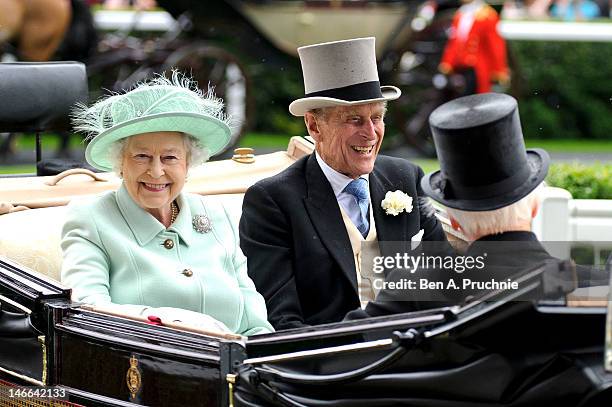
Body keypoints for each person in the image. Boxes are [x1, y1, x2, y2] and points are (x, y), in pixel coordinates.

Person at [239, 37, 449, 331]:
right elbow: (282, 320)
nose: (371, 134)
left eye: (376, 117)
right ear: (314, 126)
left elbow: (444, 277)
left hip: (412, 350)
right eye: (354, 120)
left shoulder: (406, 177)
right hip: (334, 362)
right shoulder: (272, 200)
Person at [346, 93, 603, 320]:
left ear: (455, 221)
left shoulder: (414, 286)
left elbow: (342, 351)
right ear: (535, 206)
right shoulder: (593, 286)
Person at [61, 72, 273, 336]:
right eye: (141, 156)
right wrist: (170, 321)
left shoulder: (217, 215)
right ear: (120, 163)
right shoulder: (91, 218)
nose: (157, 171)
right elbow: (86, 309)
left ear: (188, 164)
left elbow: (253, 316)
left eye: (170, 157)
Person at [439, 0, 510, 95]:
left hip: (477, 69)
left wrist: (499, 70)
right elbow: (455, 41)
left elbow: (495, 46)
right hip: (460, 66)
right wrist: (448, 62)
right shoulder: (460, 14)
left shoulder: (487, 15)